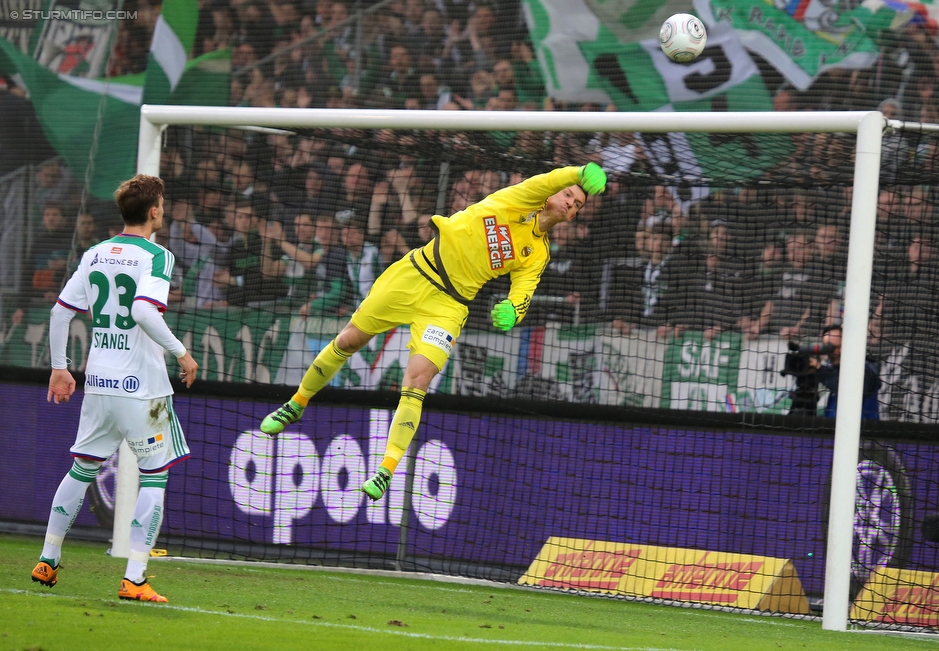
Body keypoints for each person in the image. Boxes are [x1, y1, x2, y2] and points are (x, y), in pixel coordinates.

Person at [259, 163, 607, 500]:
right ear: (550, 196)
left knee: (418, 382)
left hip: (449, 306)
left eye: (577, 204)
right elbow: (550, 179)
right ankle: (296, 403)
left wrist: (512, 312)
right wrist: (577, 174)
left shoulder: (538, 252)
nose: (570, 204)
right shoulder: (518, 199)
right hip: (415, 272)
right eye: (568, 195)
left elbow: (523, 293)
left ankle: (386, 469)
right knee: (350, 339)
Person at [32, 175, 198, 602]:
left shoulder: (95, 253)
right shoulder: (158, 256)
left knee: (81, 467)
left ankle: (48, 559)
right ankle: (135, 579)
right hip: (142, 389)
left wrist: (59, 369)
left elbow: (58, 314)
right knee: (155, 477)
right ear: (155, 211)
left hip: (100, 380)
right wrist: (181, 352)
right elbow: (144, 311)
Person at [814, 325, 881, 419]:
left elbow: (848, 388)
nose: (835, 353)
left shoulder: (866, 369)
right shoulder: (833, 372)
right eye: (829, 348)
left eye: (839, 347)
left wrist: (819, 368)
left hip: (862, 431)